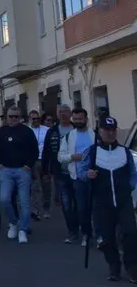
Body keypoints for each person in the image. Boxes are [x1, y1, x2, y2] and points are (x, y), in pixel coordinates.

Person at [84, 117, 137, 283]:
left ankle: (132, 267)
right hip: (102, 203)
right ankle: (114, 266)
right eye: (107, 130)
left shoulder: (124, 152)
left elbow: (133, 174)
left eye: (113, 129)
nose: (111, 133)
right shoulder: (92, 152)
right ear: (100, 131)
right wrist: (88, 175)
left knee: (131, 233)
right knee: (106, 237)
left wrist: (129, 186)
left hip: (123, 202)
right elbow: (81, 173)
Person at [0, 106, 38, 244]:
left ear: (21, 118)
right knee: (4, 199)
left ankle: (23, 229)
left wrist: (28, 165)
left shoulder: (27, 131)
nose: (13, 119)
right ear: (7, 117)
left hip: (22, 170)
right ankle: (14, 223)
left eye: (16, 116)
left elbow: (34, 150)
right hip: (5, 170)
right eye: (11, 116)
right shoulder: (2, 131)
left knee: (24, 201)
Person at [58, 107, 97, 248]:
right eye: (75, 119)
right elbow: (60, 157)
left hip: (96, 178)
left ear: (86, 119)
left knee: (97, 208)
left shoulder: (95, 135)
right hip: (78, 179)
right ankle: (86, 234)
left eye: (80, 119)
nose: (78, 121)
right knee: (81, 208)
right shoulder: (69, 137)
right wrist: (72, 157)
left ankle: (99, 235)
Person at [44, 105, 80, 242]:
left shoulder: (78, 129)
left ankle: (84, 228)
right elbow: (47, 151)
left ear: (70, 113)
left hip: (78, 172)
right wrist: (45, 171)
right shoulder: (52, 132)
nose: (63, 114)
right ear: (57, 115)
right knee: (66, 204)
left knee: (80, 203)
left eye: (65, 111)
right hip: (61, 174)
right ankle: (72, 231)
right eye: (60, 112)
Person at [28, 111, 51, 220]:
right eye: (33, 118)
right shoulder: (27, 130)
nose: (36, 120)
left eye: (37, 118)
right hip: (33, 160)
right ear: (30, 119)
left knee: (46, 186)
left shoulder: (46, 130)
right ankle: (35, 210)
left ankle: (46, 208)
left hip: (45, 161)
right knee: (35, 186)